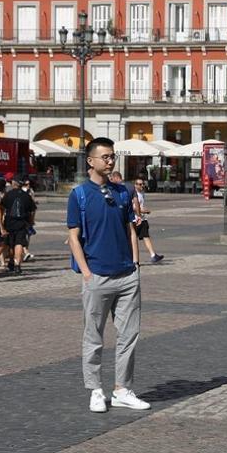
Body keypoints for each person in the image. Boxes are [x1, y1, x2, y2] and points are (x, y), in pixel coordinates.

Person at [67, 138, 149, 414]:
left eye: (112, 156)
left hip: (126, 274)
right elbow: (73, 237)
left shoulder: (123, 192)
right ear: (91, 161)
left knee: (129, 335)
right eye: (105, 157)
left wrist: (136, 265)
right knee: (94, 337)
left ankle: (123, 389)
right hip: (97, 275)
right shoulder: (79, 195)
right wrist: (87, 273)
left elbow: (130, 230)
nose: (110, 161)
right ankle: (95, 390)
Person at [1, 176, 36, 275]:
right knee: (19, 243)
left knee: (10, 243)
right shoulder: (26, 196)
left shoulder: (8, 194)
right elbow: (32, 209)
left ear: (13, 183)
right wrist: (31, 221)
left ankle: (11, 261)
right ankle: (17, 264)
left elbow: (2, 207)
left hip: (9, 221)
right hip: (22, 221)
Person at [130, 177, 164, 263]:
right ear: (135, 185)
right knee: (131, 239)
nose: (142, 186)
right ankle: (132, 258)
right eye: (140, 184)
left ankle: (153, 255)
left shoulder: (142, 193)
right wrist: (143, 211)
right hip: (135, 220)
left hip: (142, 219)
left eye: (143, 184)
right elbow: (132, 207)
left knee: (146, 236)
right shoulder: (133, 194)